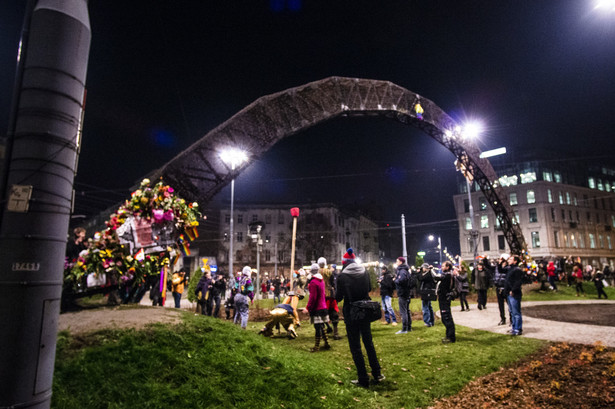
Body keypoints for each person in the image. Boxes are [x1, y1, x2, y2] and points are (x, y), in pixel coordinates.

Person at [336, 248, 383, 388]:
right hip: (365, 310)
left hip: (351, 311)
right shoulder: (364, 272)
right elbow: (369, 288)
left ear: (344, 262)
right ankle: (377, 373)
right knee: (368, 342)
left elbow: (338, 297)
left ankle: (363, 378)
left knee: (355, 346)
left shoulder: (342, 276)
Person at [306, 263, 330, 352]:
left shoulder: (313, 282)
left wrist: (308, 308)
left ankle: (316, 346)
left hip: (317, 309)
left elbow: (313, 297)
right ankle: (326, 343)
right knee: (322, 325)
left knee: (317, 327)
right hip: (323, 307)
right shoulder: (321, 281)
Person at [435, 261, 458, 343]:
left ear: (448, 267)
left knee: (446, 318)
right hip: (444, 298)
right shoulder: (449, 274)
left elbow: (436, 277)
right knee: (445, 317)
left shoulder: (447, 275)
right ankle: (449, 335)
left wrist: (430, 270)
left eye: (443, 266)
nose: (441, 267)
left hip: (445, 298)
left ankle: (451, 337)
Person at [320, 258, 342, 340]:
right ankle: (335, 333)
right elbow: (333, 283)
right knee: (333, 314)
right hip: (330, 295)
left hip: (321, 296)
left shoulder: (316, 272)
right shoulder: (329, 272)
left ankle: (325, 332)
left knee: (322, 314)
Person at [504, 255, 524, 336]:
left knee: (516, 312)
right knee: (512, 312)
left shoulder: (517, 270)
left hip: (514, 293)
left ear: (515, 261)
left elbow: (518, 282)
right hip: (509, 292)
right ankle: (514, 327)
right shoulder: (510, 269)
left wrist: (513, 290)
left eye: (510, 259)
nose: (508, 260)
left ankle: (518, 328)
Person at [393, 256, 414, 334]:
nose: (396, 262)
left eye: (397, 261)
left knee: (403, 311)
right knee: (407, 310)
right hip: (407, 292)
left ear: (401, 262)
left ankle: (404, 329)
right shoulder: (406, 270)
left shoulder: (402, 271)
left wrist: (396, 280)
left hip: (403, 293)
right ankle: (409, 327)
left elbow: (402, 280)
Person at [493, 255, 510, 326]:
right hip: (498, 287)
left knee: (509, 305)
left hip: (505, 288)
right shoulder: (498, 267)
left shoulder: (508, 268)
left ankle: (512, 319)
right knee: (500, 305)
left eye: (501, 259)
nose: (500, 260)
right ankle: (502, 318)